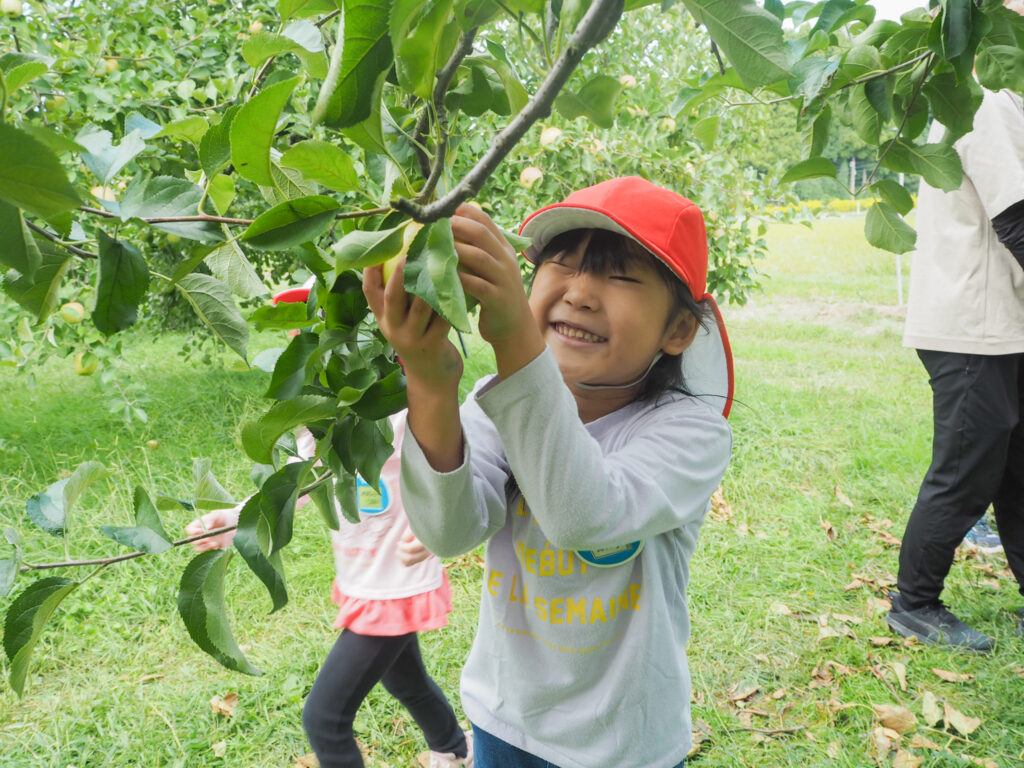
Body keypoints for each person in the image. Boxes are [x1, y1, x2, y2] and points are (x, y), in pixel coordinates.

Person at [363, 176, 734, 768]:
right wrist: (429, 378)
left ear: (678, 331)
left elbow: (582, 515)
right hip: (505, 718)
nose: (581, 292)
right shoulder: (500, 401)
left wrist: (515, 337)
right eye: (561, 264)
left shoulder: (689, 432)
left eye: (621, 276)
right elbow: (450, 530)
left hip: (624, 743)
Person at [186, 414, 474, 768]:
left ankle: (455, 748)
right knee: (406, 681)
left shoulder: (400, 401)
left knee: (325, 719)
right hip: (367, 581)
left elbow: (451, 464)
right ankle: (456, 749)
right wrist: (234, 518)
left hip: (394, 586)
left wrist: (441, 526)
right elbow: (296, 481)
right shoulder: (330, 411)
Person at [887, 77, 1024, 651]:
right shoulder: (988, 96)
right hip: (974, 325)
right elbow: (1016, 218)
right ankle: (913, 603)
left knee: (1016, 472)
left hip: (999, 325)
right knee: (966, 469)